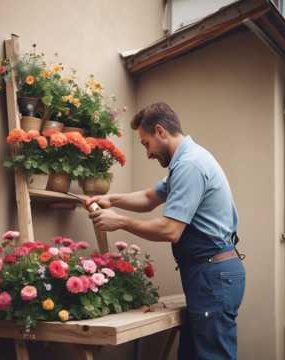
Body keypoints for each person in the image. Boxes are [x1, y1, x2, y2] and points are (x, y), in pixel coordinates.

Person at [84, 102, 246, 360]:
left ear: (160, 131)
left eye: (146, 143)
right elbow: (150, 197)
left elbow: (171, 229)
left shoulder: (190, 165)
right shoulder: (185, 161)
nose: (147, 153)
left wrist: (121, 222)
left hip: (212, 275)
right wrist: (111, 199)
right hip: (208, 273)